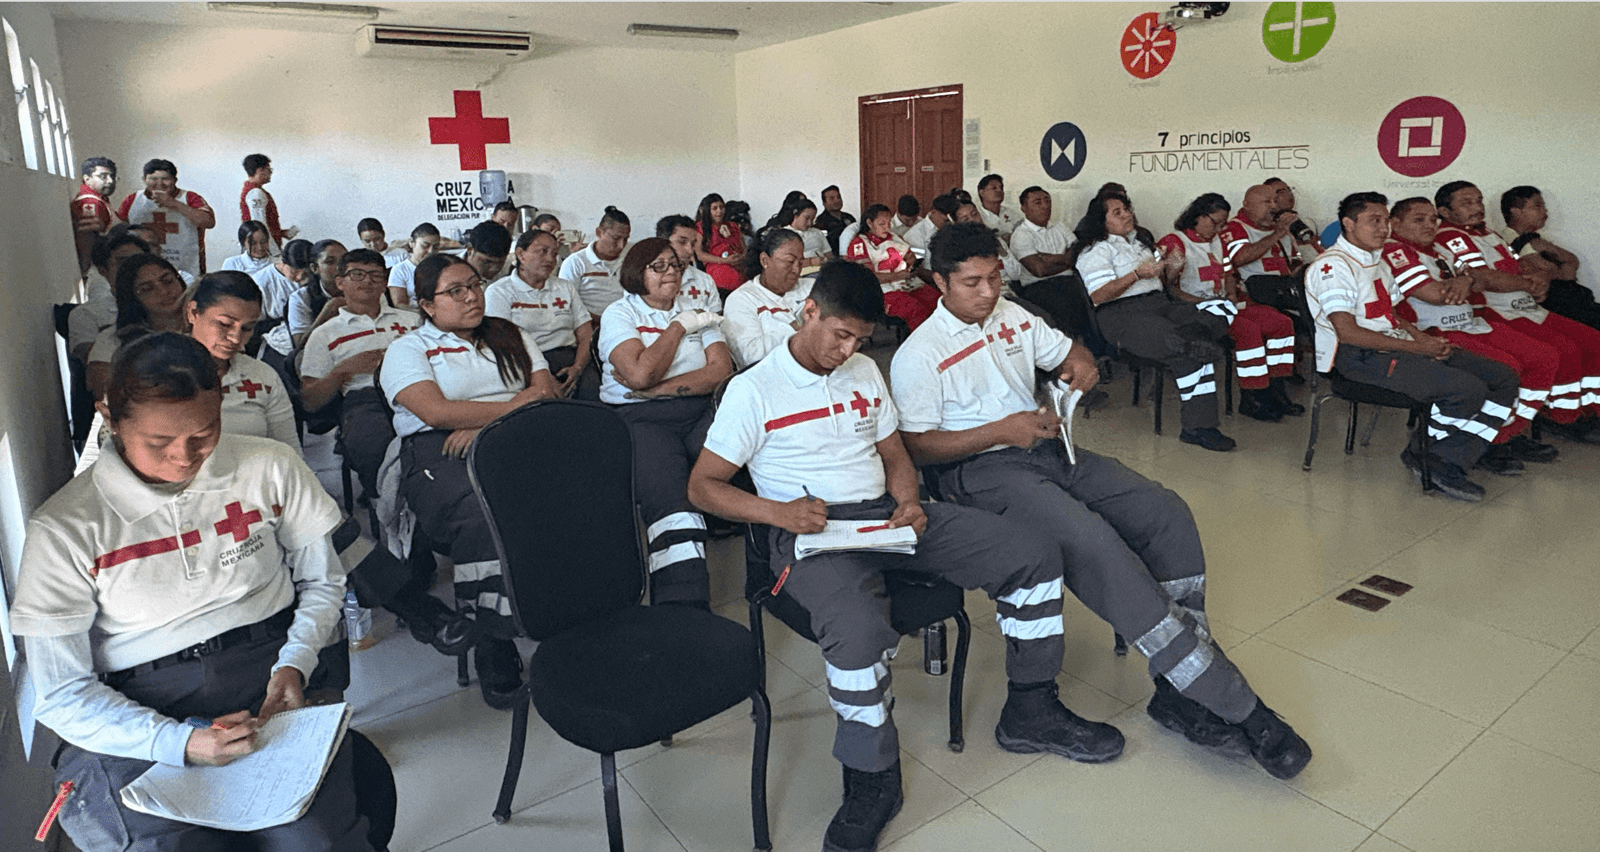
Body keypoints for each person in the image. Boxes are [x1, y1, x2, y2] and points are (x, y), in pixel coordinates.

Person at [688, 261, 1123, 852]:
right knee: (859, 629)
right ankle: (872, 776)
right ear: (808, 310)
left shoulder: (866, 369)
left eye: (860, 340)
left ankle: (1031, 706)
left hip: (886, 517)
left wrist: (911, 499)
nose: (847, 350)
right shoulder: (752, 389)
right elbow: (704, 487)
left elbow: (895, 451)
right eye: (839, 334)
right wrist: (780, 513)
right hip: (811, 532)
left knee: (1031, 552)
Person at [894, 222, 1313, 779]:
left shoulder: (1013, 316)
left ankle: (1177, 686)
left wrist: (1081, 365)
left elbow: (1069, 349)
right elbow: (919, 449)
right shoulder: (919, 353)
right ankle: (1234, 702)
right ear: (939, 281)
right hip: (979, 471)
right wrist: (999, 431)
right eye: (972, 283)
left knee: (1165, 514)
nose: (989, 292)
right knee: (1096, 546)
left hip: (1044, 447)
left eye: (995, 277)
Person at [9, 332, 374, 852]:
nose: (186, 458)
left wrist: (295, 661)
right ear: (110, 418)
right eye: (159, 443)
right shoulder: (66, 527)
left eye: (205, 435)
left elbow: (322, 580)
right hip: (134, 704)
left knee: (316, 838)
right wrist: (178, 741)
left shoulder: (268, 466)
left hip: (266, 678)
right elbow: (63, 692)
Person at [382, 254, 558, 707]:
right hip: (440, 448)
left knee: (574, 495)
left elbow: (548, 393)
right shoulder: (410, 348)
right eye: (455, 291)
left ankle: (567, 609)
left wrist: (489, 424)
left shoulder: (509, 333)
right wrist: (518, 404)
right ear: (426, 304)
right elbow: (436, 412)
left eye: (475, 285)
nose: (471, 296)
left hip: (516, 436)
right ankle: (492, 637)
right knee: (481, 514)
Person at [1306, 192, 1520, 501]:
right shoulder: (1333, 267)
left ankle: (1458, 451)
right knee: (1466, 389)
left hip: (1396, 345)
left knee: (1502, 377)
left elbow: (1390, 314)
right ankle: (1434, 460)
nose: (1383, 229)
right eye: (1373, 221)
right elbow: (1348, 332)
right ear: (1348, 224)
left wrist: (1422, 339)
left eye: (1384, 221)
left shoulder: (1375, 261)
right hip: (1359, 357)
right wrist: (1415, 348)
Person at [599, 238, 733, 607]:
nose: (671, 271)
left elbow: (721, 371)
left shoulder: (698, 310)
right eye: (658, 266)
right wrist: (677, 327)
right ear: (636, 273)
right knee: (669, 493)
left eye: (675, 264)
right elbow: (639, 375)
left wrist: (662, 389)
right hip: (640, 418)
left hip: (698, 409)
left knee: (747, 455)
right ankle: (683, 599)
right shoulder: (620, 314)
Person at [1383, 197, 1560, 465]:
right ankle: (1481, 443)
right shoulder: (1395, 251)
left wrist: (1465, 280)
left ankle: (1501, 435)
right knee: (1506, 368)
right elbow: (1436, 294)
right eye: (1419, 220)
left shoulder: (1436, 249)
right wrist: (1466, 282)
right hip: (1435, 332)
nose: (1430, 225)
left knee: (1544, 357)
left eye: (1433, 219)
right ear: (1395, 223)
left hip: (1471, 324)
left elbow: (1478, 278)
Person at [1434, 181, 1600, 442]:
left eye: (1478, 200)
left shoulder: (1488, 233)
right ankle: (1558, 418)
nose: (1477, 207)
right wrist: (1528, 282)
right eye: (1467, 203)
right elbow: (1483, 277)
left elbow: (1520, 264)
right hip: (1499, 313)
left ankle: (1587, 411)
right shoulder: (1451, 236)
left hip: (1527, 306)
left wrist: (1538, 280)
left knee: (1592, 341)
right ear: (1445, 211)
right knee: (1562, 351)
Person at [1075, 191, 1236, 450]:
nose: (1127, 214)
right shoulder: (1095, 251)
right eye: (1117, 212)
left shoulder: (1139, 244)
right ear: (1101, 221)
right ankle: (1197, 428)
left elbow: (1162, 283)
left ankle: (1192, 336)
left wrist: (1170, 268)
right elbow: (1099, 294)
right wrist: (1136, 275)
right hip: (1123, 314)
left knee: (1222, 308)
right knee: (1190, 352)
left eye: (1126, 209)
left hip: (1159, 304)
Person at [1159, 194, 1300, 422]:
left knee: (1280, 323)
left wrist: (1232, 294)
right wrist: (1201, 302)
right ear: (1198, 215)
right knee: (1248, 331)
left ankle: (1276, 388)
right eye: (1215, 222)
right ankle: (1252, 395)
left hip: (1224, 304)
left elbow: (1228, 272)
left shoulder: (1217, 241)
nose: (1219, 228)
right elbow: (1168, 289)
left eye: (1223, 224)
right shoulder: (1175, 242)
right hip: (1195, 309)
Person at [301, 248, 419, 499]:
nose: (367, 281)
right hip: (366, 399)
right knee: (372, 440)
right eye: (357, 274)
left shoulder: (412, 321)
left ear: (385, 282)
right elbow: (310, 401)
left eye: (376, 275)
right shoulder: (325, 334)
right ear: (340, 282)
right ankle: (387, 506)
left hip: (418, 388)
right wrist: (343, 370)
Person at [185, 271, 298, 448]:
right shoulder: (160, 371)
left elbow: (290, 451)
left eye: (247, 328)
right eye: (224, 324)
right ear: (193, 313)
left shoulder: (262, 376)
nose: (236, 338)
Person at [484, 228, 597, 399]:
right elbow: (501, 343)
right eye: (543, 252)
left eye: (554, 254)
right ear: (521, 254)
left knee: (594, 394)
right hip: (524, 362)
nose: (550, 259)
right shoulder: (499, 292)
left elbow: (585, 333)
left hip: (570, 357)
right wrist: (542, 375)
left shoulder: (564, 287)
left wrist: (578, 367)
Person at [87, 254, 190, 402]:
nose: (163, 291)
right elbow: (105, 395)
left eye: (167, 281)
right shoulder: (111, 341)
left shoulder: (207, 327)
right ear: (132, 298)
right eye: (147, 289)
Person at [1501, 186, 1600, 329]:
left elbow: (1572, 262)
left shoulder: (1537, 239)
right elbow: (1548, 270)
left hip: (1574, 300)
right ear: (1516, 211)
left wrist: (1548, 249)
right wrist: (1557, 270)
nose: (1545, 211)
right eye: (1537, 206)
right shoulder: (1509, 240)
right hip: (1555, 307)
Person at [723, 228, 813, 369]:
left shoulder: (812, 287)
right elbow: (749, 356)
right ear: (765, 260)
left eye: (801, 262)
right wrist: (793, 329)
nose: (796, 269)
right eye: (790, 261)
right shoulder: (741, 299)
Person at [115, 158, 216, 279]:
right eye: (153, 179)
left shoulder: (189, 197)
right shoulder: (132, 199)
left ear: (175, 180)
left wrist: (174, 204)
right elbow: (118, 230)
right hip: (143, 267)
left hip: (186, 268)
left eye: (165, 179)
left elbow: (209, 221)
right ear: (144, 180)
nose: (159, 184)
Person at [845, 203, 940, 331]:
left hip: (906, 283)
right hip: (880, 291)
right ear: (869, 223)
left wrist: (911, 262)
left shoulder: (895, 237)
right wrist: (897, 276)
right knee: (915, 309)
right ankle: (920, 345)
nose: (887, 227)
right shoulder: (859, 243)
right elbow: (867, 277)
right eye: (882, 224)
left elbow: (910, 256)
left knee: (937, 300)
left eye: (889, 223)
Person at [70, 231, 152, 365]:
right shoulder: (85, 315)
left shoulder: (167, 301)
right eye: (123, 262)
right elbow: (92, 363)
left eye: (140, 260)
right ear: (104, 271)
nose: (133, 268)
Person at [1219, 185, 1300, 314]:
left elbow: (1295, 264)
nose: (1274, 206)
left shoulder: (1281, 228)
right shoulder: (1235, 227)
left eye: (1275, 201)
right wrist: (1276, 235)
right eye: (1267, 202)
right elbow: (1239, 259)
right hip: (1253, 299)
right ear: (1247, 205)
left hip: (1286, 295)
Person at [254, 239, 316, 384]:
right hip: (278, 345)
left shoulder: (315, 279)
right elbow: (255, 325)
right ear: (283, 262)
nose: (300, 277)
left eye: (305, 272)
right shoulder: (263, 281)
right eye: (295, 271)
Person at [560, 206, 631, 317]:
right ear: (599, 232)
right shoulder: (575, 263)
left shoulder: (629, 261)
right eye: (615, 238)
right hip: (587, 325)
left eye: (625, 239)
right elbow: (567, 304)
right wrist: (601, 321)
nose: (621, 245)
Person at [657, 214, 724, 313]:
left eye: (693, 244)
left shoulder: (705, 280)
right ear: (662, 242)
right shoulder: (646, 278)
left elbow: (716, 319)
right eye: (682, 242)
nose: (690, 250)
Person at [288, 240, 347, 349]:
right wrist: (327, 312)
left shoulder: (359, 288)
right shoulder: (301, 297)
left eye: (344, 261)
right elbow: (300, 345)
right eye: (330, 262)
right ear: (315, 268)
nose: (340, 267)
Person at [239, 153, 296, 255]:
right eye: (269, 170)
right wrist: (275, 253)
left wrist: (280, 233)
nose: (270, 173)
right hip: (262, 252)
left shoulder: (254, 191)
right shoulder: (255, 193)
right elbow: (260, 226)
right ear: (260, 170)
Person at [71, 156, 117, 279]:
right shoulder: (89, 202)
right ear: (87, 179)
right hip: (96, 269)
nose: (110, 181)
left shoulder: (100, 199)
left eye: (112, 176)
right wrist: (87, 271)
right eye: (103, 176)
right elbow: (86, 238)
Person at [1264, 176, 1323, 267]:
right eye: (1281, 192)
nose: (1289, 194)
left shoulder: (1308, 222)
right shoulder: (1265, 227)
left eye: (1289, 190)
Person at [694, 193, 746, 295]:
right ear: (707, 210)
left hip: (737, 266)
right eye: (715, 208)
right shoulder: (701, 227)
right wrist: (724, 260)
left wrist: (740, 259)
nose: (719, 211)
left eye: (721, 207)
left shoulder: (733, 226)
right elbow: (700, 255)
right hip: (716, 266)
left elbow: (743, 249)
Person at [386, 223, 443, 308]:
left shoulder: (443, 267)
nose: (431, 251)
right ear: (412, 243)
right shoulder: (399, 270)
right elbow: (400, 304)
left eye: (435, 247)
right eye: (425, 246)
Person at [782, 197, 832, 271]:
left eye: (812, 219)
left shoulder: (817, 232)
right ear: (796, 215)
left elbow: (828, 254)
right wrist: (810, 262)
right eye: (806, 218)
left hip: (823, 270)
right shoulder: (784, 234)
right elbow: (785, 261)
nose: (810, 223)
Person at [904, 193, 958, 259]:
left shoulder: (951, 229)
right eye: (946, 221)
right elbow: (917, 266)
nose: (950, 224)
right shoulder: (916, 235)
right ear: (934, 212)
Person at [977, 173, 1023, 238]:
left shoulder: (1011, 213)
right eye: (994, 188)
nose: (999, 190)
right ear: (982, 193)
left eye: (1001, 188)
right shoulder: (977, 215)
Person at [815, 184, 856, 256]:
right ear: (824, 203)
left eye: (838, 197)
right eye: (832, 198)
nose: (837, 200)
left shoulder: (849, 217)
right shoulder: (821, 220)